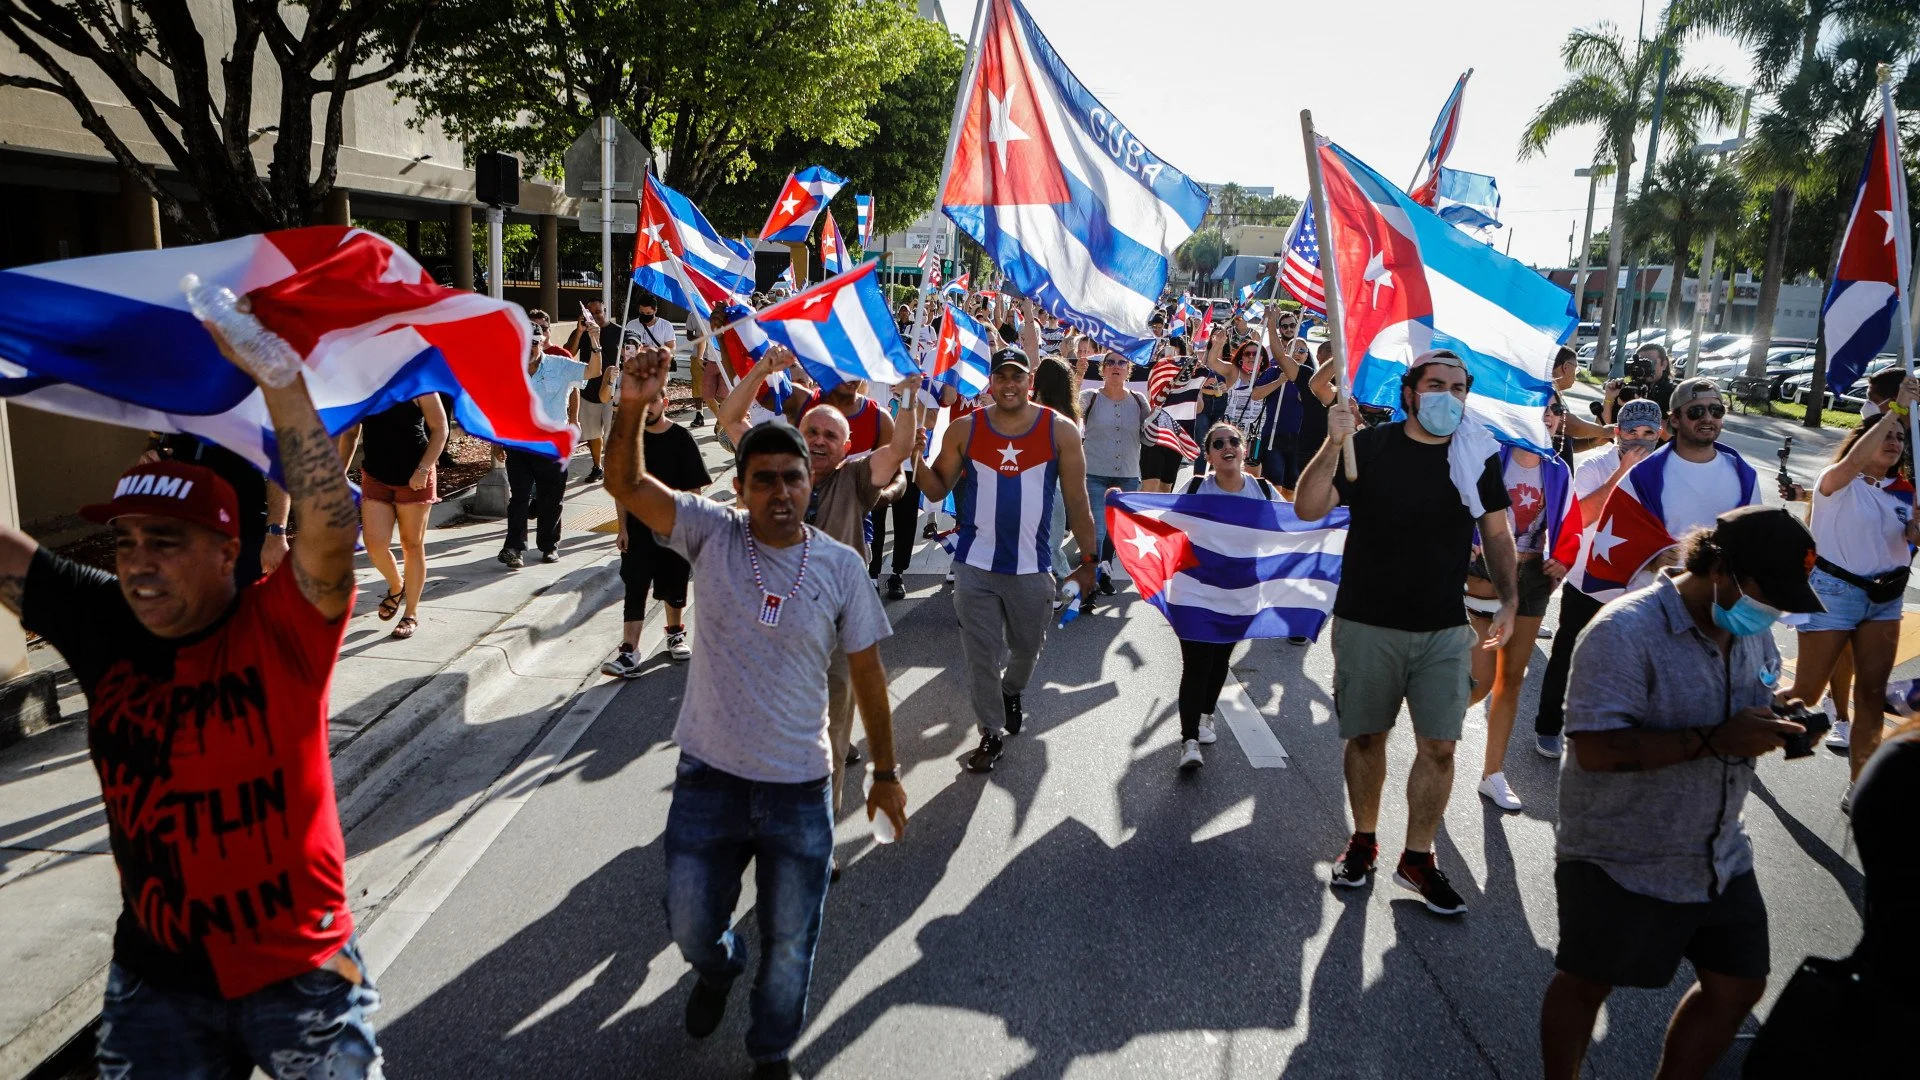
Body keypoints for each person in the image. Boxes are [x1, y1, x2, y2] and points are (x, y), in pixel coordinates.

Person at [0, 316, 374, 1075]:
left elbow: (332, 527)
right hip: (156, 978)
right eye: (127, 539)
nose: (138, 563)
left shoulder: (283, 627)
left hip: (302, 971)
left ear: (228, 552)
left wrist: (279, 379)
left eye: (165, 541)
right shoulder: (105, 622)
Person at [603, 344, 907, 1080]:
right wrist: (633, 410)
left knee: (793, 942)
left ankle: (771, 1053)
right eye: (763, 478)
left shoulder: (840, 567)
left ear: (811, 483)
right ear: (740, 485)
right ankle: (715, 967)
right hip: (709, 778)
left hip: (801, 789)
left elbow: (867, 673)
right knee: (691, 926)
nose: (779, 490)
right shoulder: (711, 532)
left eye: (792, 478)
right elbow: (626, 483)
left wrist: (886, 772)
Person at [1540, 507, 1824, 1080]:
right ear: (1720, 567)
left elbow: (1752, 700)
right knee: (1586, 983)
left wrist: (1783, 719)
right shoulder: (1624, 632)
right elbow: (1594, 749)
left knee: (1738, 984)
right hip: (1620, 856)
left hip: (1719, 852)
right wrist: (1720, 739)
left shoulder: (1753, 633)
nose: (1772, 611)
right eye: (1767, 593)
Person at [1294, 349, 1516, 917]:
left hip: (1444, 627)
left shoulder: (1475, 456)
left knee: (1440, 747)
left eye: (1459, 387)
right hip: (1368, 623)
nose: (1449, 396)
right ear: (1411, 392)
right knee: (1367, 738)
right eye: (1436, 384)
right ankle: (1364, 842)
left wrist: (1511, 598)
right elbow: (1307, 508)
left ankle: (1418, 857)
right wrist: (1331, 439)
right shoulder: (1369, 448)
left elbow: (1496, 532)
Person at [717, 347, 920, 823]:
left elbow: (898, 449)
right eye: (812, 431)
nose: (821, 440)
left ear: (848, 447)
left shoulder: (854, 477)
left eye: (832, 434)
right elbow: (731, 417)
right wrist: (763, 370)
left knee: (827, 742)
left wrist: (909, 397)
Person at [916, 348, 1099, 773]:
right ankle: (991, 732)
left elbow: (1077, 500)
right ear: (991, 382)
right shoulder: (965, 429)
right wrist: (912, 458)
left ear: (1028, 380)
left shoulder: (1061, 431)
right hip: (974, 566)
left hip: (1033, 567)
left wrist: (1089, 562)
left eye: (1017, 376)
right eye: (1002, 377)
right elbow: (936, 488)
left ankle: (1012, 690)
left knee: (1026, 649)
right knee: (980, 655)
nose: (1009, 384)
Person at [1780, 381, 1920, 790]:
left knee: (1872, 696)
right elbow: (1857, 458)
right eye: (1885, 435)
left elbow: (1907, 542)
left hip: (1886, 599)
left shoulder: (1904, 493)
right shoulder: (1837, 482)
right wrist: (1896, 409)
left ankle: (1860, 788)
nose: (1893, 442)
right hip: (1835, 594)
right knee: (1806, 692)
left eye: (1899, 437)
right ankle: (1739, 732)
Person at [1532, 398, 1663, 758]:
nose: (1640, 440)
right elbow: (1582, 516)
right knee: (1567, 654)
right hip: (1588, 578)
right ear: (1617, 432)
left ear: (1660, 433)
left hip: (1639, 588)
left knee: (1630, 665)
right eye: (1631, 432)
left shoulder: (1668, 469)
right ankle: (1548, 726)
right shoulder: (1595, 464)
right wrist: (1621, 473)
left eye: (1648, 433)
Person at [1464, 405, 1572, 810]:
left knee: (1513, 678)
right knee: (1480, 678)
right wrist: (1468, 538)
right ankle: (1440, 733)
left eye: (1555, 412)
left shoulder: (1558, 468)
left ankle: (1492, 773)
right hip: (1487, 573)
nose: (1548, 417)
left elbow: (1568, 523)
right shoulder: (1494, 454)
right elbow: (1465, 501)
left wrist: (1562, 558)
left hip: (1533, 579)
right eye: (1541, 409)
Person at [1172, 420, 1283, 770]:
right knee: (1196, 663)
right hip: (1194, 592)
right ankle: (1189, 740)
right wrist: (1123, 503)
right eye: (1218, 444)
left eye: (1233, 440)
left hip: (1239, 593)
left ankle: (1206, 715)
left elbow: (1296, 526)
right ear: (1209, 456)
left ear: (1244, 449)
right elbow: (1157, 521)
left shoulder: (1263, 492)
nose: (1226, 447)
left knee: (1219, 660)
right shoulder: (1193, 489)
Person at [603, 386, 712, 677]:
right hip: (638, 529)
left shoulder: (681, 438)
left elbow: (694, 489)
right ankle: (629, 652)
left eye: (651, 402)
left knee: (674, 583)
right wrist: (622, 527)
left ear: (664, 402)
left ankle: (675, 633)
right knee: (635, 586)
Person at [345, 393, 449, 639]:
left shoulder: (419, 383)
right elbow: (350, 433)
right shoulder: (366, 385)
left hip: (415, 475)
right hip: (376, 474)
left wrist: (423, 470)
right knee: (374, 544)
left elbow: (440, 429)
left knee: (411, 544)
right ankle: (396, 584)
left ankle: (411, 613)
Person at [501, 319, 589, 569]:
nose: (526, 348)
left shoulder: (559, 365)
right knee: (518, 498)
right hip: (518, 444)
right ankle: (514, 548)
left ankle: (549, 545)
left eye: (532, 343)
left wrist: (594, 343)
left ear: (541, 343)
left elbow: (591, 373)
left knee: (552, 498)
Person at [1079, 349, 1152, 606]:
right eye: (1110, 362)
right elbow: (1075, 425)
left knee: (1115, 532)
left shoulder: (1139, 399)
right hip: (1095, 473)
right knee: (1098, 531)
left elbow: (1148, 438)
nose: (1116, 366)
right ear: (1103, 369)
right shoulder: (1089, 398)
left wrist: (1155, 423)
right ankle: (1088, 587)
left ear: (1129, 369)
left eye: (1122, 362)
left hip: (1128, 476)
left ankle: (1104, 574)